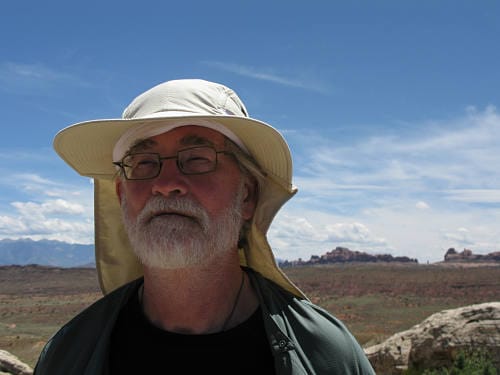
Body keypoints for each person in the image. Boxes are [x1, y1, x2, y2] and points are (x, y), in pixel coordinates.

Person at [34, 79, 375, 374]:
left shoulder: (326, 356)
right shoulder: (70, 353)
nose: (166, 184)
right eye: (144, 163)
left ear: (247, 195)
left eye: (197, 158)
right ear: (122, 195)